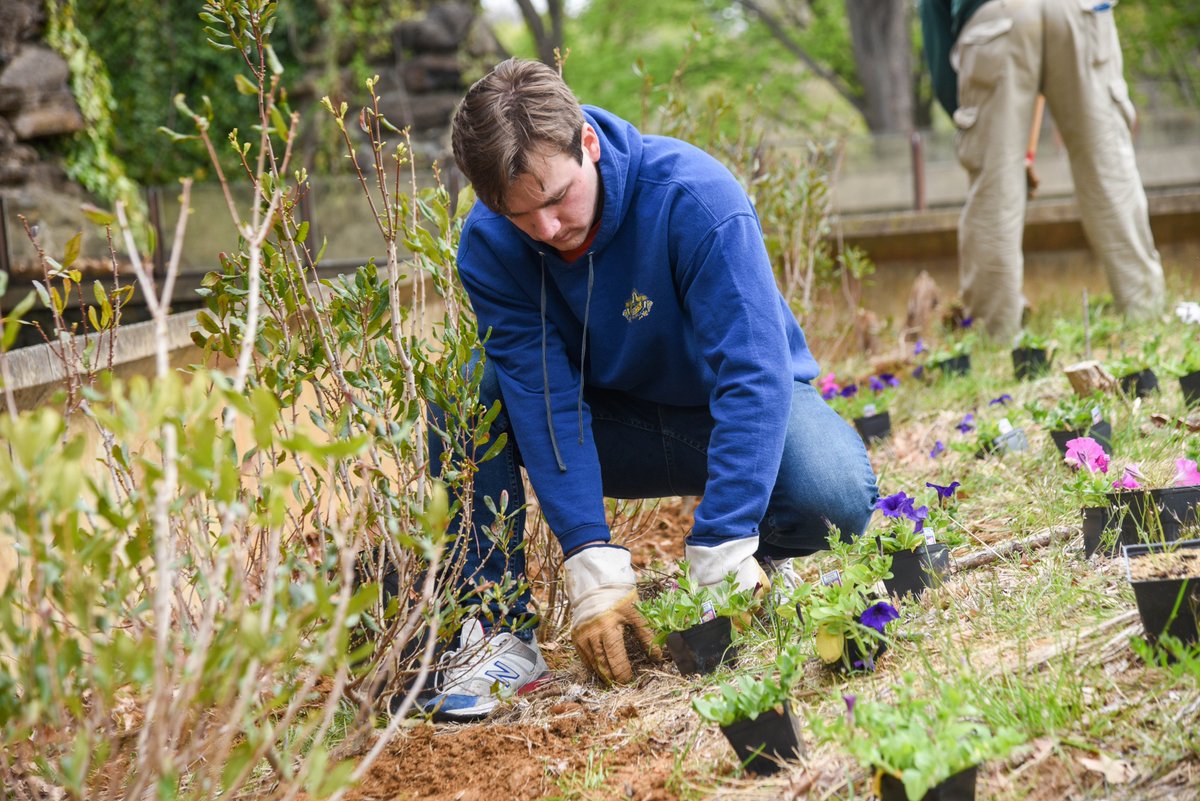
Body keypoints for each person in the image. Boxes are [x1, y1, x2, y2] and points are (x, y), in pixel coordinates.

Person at [420, 58, 878, 720]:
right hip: (616, 430)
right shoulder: (490, 246)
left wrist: (723, 538)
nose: (546, 229)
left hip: (722, 414)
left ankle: (756, 561)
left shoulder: (693, 198)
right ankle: (493, 632)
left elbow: (753, 374)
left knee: (834, 495)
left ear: (588, 144)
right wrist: (590, 565)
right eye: (519, 215)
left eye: (554, 199)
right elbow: (543, 398)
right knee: (466, 389)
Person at [919, 0, 1165, 341]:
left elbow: (936, 31)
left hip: (997, 17)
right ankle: (1147, 317)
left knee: (996, 190)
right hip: (1078, 9)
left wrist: (974, 121)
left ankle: (995, 337)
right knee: (1110, 172)